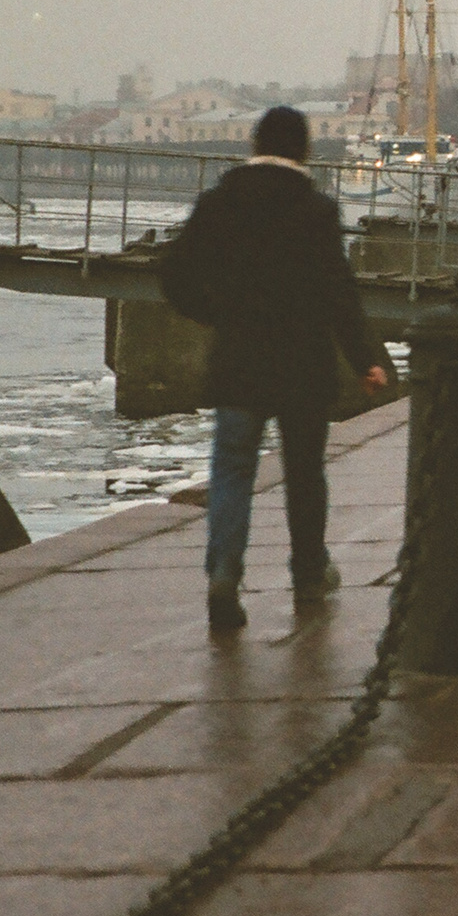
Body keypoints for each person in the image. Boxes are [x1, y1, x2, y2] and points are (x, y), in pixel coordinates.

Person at [161, 106, 393, 631]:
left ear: (254, 145)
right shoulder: (316, 210)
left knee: (232, 469)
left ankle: (224, 574)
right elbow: (338, 291)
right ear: (303, 150)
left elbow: (174, 273)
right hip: (303, 363)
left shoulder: (218, 203)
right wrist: (365, 360)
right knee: (304, 472)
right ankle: (309, 573)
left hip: (238, 361)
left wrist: (214, 312)